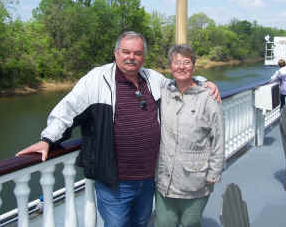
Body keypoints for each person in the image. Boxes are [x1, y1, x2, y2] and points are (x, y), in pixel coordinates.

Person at [16, 31, 220, 227]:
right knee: (117, 224)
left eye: (138, 53)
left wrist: (203, 82)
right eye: (126, 52)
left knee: (141, 222)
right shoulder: (97, 80)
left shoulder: (152, 79)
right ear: (116, 53)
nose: (132, 57)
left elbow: (180, 83)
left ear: (143, 57)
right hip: (115, 181)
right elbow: (68, 109)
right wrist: (48, 139)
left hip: (149, 177)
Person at [154, 45, 224, 227]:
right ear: (170, 66)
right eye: (177, 63)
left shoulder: (208, 98)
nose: (182, 67)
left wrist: (213, 173)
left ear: (193, 65)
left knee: (190, 223)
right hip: (165, 179)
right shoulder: (164, 93)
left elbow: (218, 138)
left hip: (195, 181)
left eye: (187, 62)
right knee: (163, 223)